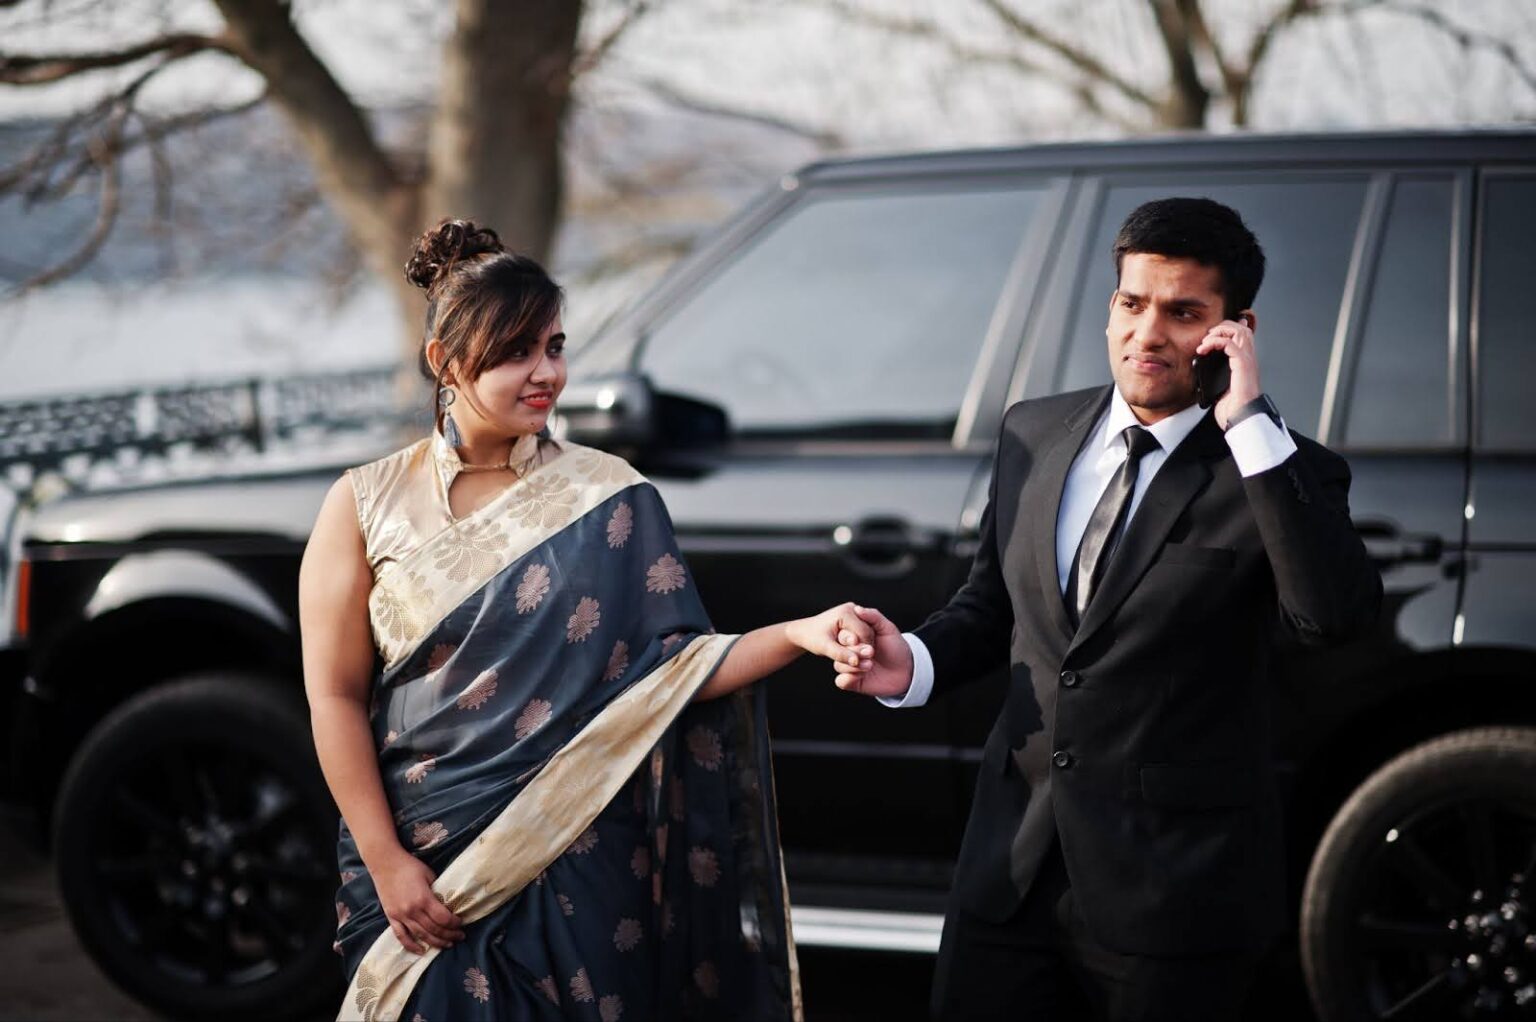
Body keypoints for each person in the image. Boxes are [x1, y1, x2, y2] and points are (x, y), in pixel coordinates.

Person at [299, 218, 873, 1021]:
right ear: (444, 363)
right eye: (515, 354)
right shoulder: (364, 504)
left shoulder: (610, 497)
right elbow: (333, 696)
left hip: (583, 854)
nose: (546, 374)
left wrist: (798, 635)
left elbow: (672, 674)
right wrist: (386, 858)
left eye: (555, 346)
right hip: (427, 866)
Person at [830, 198, 1382, 1021]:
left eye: (1183, 312)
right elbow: (992, 607)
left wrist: (1248, 424)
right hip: (1008, 871)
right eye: (1131, 304)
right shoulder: (1033, 433)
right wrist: (913, 661)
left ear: (1235, 328)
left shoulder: (1280, 470)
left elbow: (1332, 617)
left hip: (1174, 898)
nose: (1147, 334)